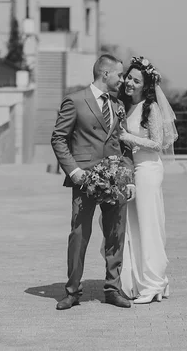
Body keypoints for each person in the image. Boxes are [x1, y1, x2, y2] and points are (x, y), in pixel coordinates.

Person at [51, 54, 136, 310]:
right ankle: (72, 291)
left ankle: (112, 289)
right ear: (105, 74)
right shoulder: (75, 101)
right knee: (79, 234)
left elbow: (124, 144)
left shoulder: (118, 104)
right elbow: (58, 138)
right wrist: (74, 171)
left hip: (116, 178)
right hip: (85, 179)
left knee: (116, 235)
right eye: (120, 75)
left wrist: (129, 177)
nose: (123, 80)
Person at [116, 56, 178, 304]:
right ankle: (140, 281)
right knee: (134, 227)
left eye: (136, 80)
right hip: (133, 171)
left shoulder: (150, 108)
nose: (130, 82)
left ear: (146, 85)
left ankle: (154, 282)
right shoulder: (127, 105)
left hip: (148, 170)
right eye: (128, 77)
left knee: (149, 225)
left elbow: (158, 143)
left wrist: (127, 137)